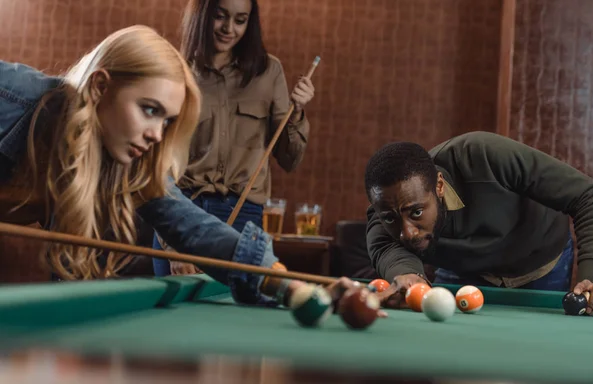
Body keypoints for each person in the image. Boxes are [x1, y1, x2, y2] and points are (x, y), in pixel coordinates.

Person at [0, 25, 356, 310]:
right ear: (100, 87)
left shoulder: (130, 161)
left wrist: (289, 284)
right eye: (149, 110)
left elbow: (195, 228)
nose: (157, 134)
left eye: (167, 121)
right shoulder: (12, 96)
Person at [151, 0, 315, 277]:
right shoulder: (175, 73)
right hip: (183, 211)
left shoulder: (268, 72)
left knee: (239, 317)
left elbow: (290, 159)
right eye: (220, 16)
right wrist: (172, 244)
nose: (229, 28)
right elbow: (156, 163)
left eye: (240, 20)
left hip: (245, 215)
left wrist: (298, 112)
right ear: (202, 15)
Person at [364, 131, 593, 315]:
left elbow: (588, 197)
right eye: (390, 218)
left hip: (539, 260)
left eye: (416, 212)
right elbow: (387, 247)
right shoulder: (386, 213)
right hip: (466, 272)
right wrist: (407, 275)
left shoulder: (485, 155)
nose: (407, 233)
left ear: (439, 186)